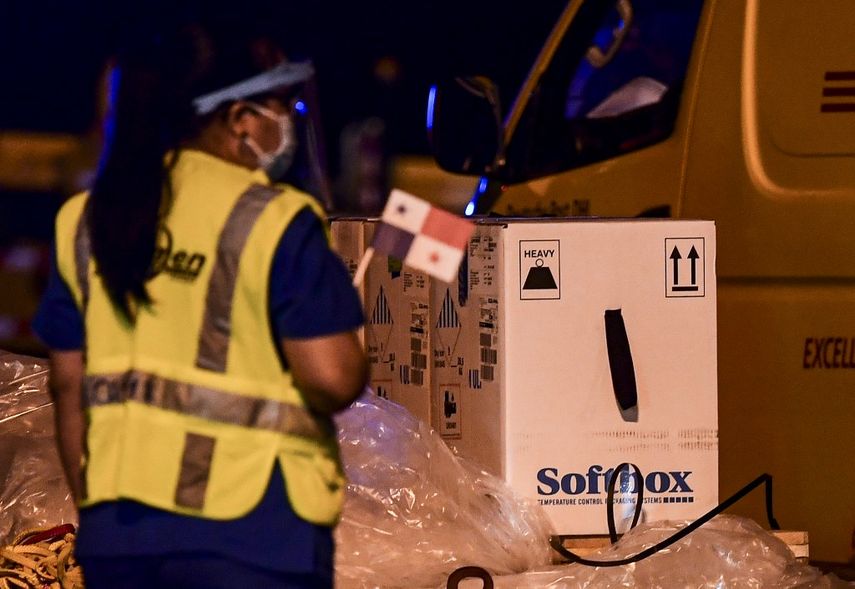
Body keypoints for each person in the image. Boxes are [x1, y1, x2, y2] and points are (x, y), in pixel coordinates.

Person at [32, 18, 368, 589]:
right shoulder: (274, 218)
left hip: (119, 535)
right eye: (280, 107)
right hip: (253, 531)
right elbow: (332, 378)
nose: (287, 124)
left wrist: (98, 515)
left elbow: (69, 386)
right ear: (239, 120)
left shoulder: (86, 221)